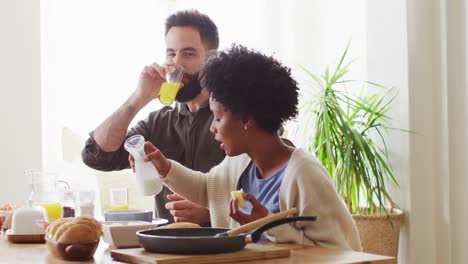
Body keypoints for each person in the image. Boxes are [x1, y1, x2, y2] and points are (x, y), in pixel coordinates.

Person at [143, 44, 362, 251]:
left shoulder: (304, 173)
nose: (212, 128)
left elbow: (337, 252)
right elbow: (206, 189)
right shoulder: (240, 163)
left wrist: (266, 222)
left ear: (247, 119)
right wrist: (165, 168)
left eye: (218, 118)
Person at [81, 10, 225, 225]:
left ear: (211, 59)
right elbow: (97, 155)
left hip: (224, 247)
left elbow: (263, 190)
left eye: (188, 54)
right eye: (170, 54)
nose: (176, 63)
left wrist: (214, 212)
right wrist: (138, 99)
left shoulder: (237, 120)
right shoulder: (157, 123)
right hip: (165, 248)